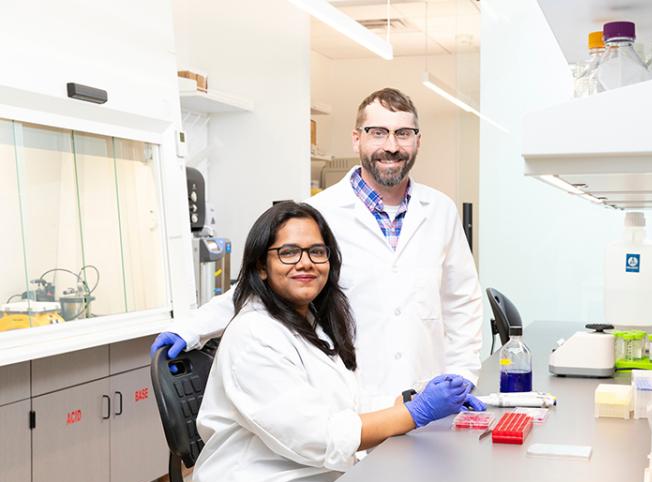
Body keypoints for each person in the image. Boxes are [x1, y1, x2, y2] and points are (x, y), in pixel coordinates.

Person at [152, 88, 483, 411]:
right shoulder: (319, 213)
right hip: (353, 398)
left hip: (426, 389)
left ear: (418, 141)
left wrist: (462, 374)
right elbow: (262, 288)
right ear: (357, 139)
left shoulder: (440, 210)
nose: (392, 146)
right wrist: (191, 327)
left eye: (404, 133)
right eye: (378, 133)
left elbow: (461, 299)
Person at [193, 201, 482, 482]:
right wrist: (416, 413)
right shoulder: (254, 335)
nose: (305, 263)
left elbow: (349, 403)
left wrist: (413, 397)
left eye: (317, 252)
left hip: (312, 475)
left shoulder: (311, 323)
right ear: (261, 267)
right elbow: (318, 436)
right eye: (288, 252)